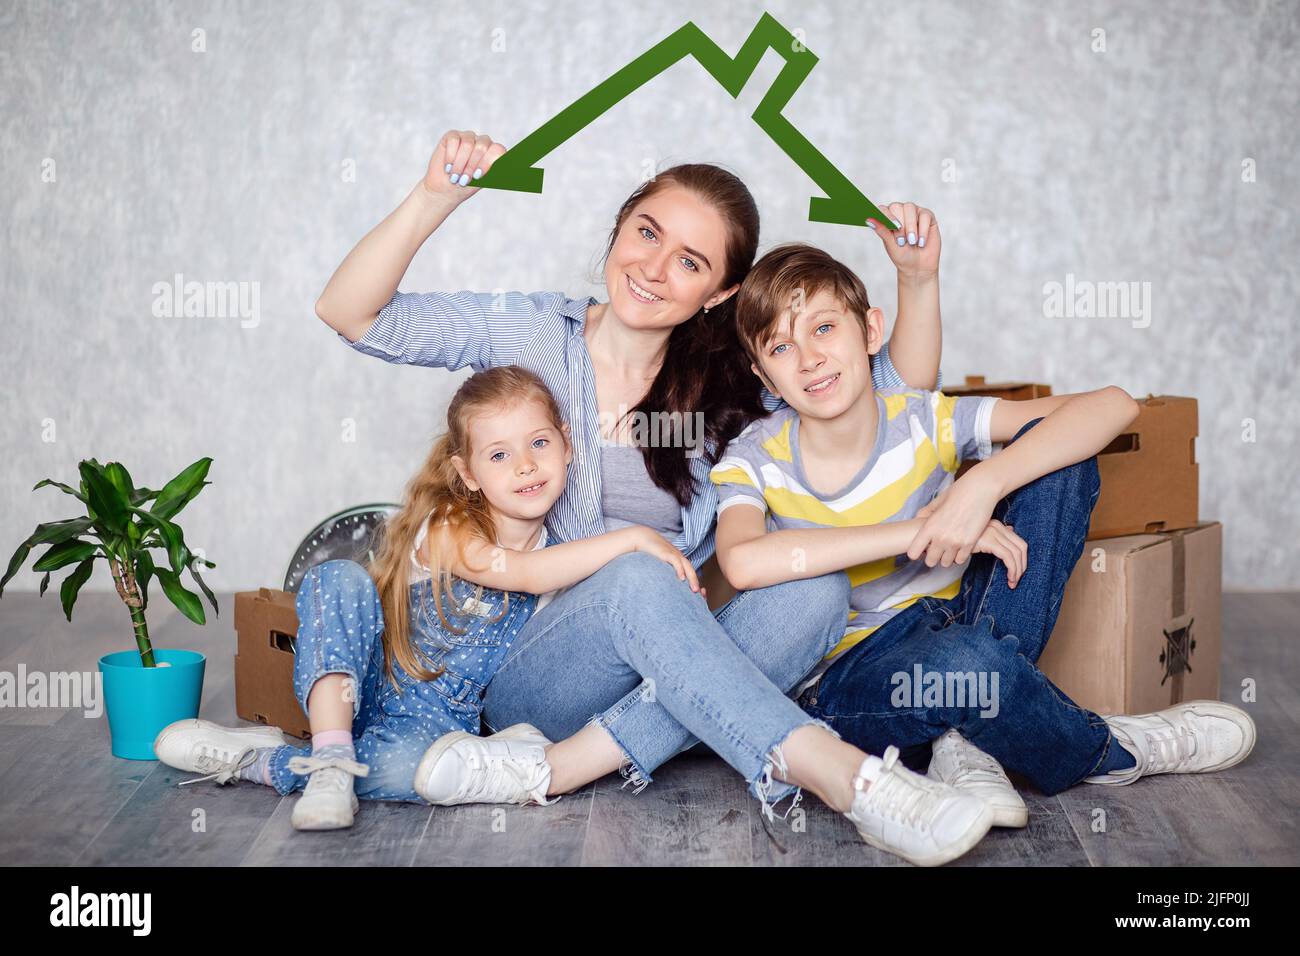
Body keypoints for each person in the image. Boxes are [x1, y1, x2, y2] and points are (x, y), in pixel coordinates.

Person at [704, 241, 1256, 826]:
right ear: (764, 375)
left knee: (1058, 457)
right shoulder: (755, 456)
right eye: (783, 347)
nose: (810, 358)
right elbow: (742, 562)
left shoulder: (923, 416)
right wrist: (919, 530)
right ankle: (1109, 747)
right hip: (854, 682)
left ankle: (964, 741)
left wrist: (981, 486)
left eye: (823, 328)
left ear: (870, 332)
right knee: (967, 662)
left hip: (966, 618)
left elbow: (1112, 407)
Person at [154, 366, 700, 830]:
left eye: (539, 444)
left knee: (411, 768)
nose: (526, 466)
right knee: (338, 578)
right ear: (467, 474)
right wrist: (631, 539)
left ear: (566, 443)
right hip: (357, 685)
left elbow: (558, 625)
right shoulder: (449, 527)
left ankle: (269, 760)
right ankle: (329, 751)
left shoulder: (564, 556)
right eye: (499, 455)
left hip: (438, 726)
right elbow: (523, 573)